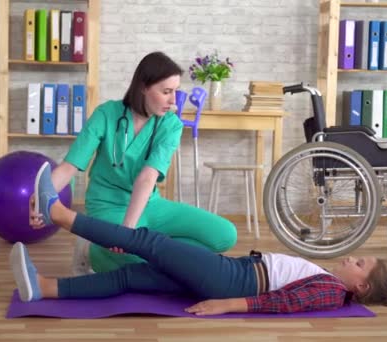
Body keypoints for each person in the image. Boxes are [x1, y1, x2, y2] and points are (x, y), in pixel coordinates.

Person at [13, 162, 387, 315]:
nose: (351, 259)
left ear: (360, 287)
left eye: (359, 264)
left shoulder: (331, 292)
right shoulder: (330, 280)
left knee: (148, 242)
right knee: (132, 276)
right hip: (235, 272)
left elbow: (283, 302)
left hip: (231, 281)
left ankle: (58, 213)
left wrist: (227, 304)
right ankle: (43, 289)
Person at [29, 51, 237, 274]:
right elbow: (71, 165)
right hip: (107, 205)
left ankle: (133, 248)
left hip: (151, 204)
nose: (172, 99)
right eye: (166, 92)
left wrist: (127, 232)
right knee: (138, 258)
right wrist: (40, 199)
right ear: (143, 87)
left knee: (225, 235)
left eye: (175, 91)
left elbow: (148, 177)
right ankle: (92, 251)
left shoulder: (171, 125)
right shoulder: (106, 114)